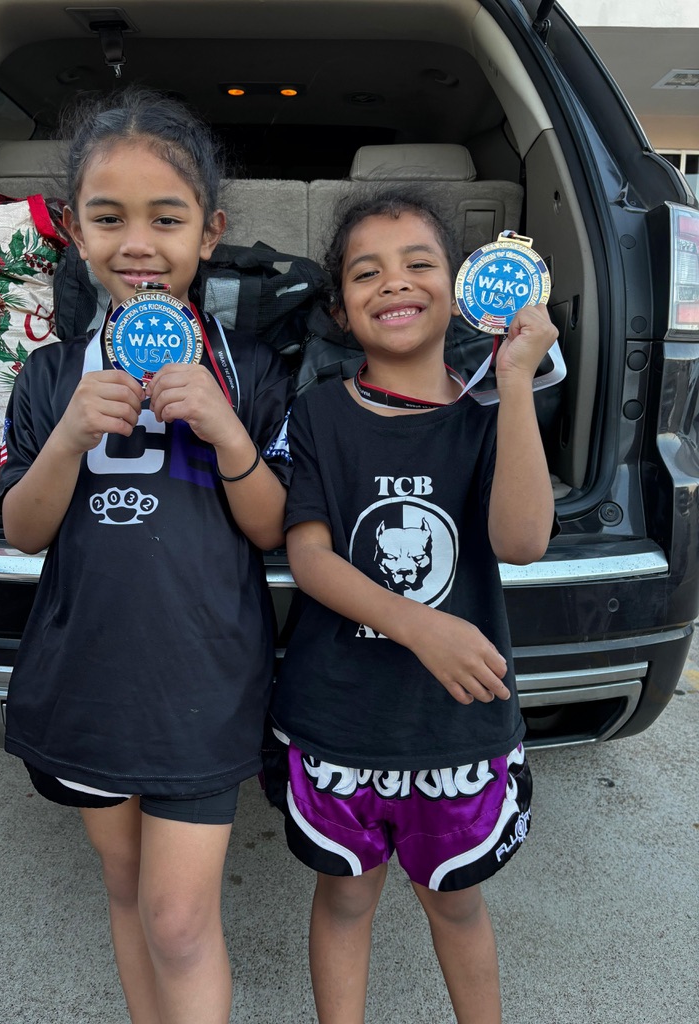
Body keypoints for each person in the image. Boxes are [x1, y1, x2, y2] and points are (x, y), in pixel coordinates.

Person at [0, 87, 293, 1024]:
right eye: (108, 218)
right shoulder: (51, 374)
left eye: (166, 219)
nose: (138, 244)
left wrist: (225, 429)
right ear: (75, 233)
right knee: (126, 891)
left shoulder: (250, 369)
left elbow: (273, 527)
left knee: (179, 919)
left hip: (203, 681)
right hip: (87, 678)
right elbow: (23, 529)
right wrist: (66, 438)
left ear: (210, 234)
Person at [264, 186, 558, 1024]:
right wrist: (420, 626)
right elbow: (309, 556)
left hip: (457, 727)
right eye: (366, 272)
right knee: (345, 898)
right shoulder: (318, 414)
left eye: (418, 263)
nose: (394, 281)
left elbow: (523, 541)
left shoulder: (489, 414)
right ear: (338, 308)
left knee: (456, 904)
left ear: (460, 288)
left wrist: (515, 380)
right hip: (338, 720)